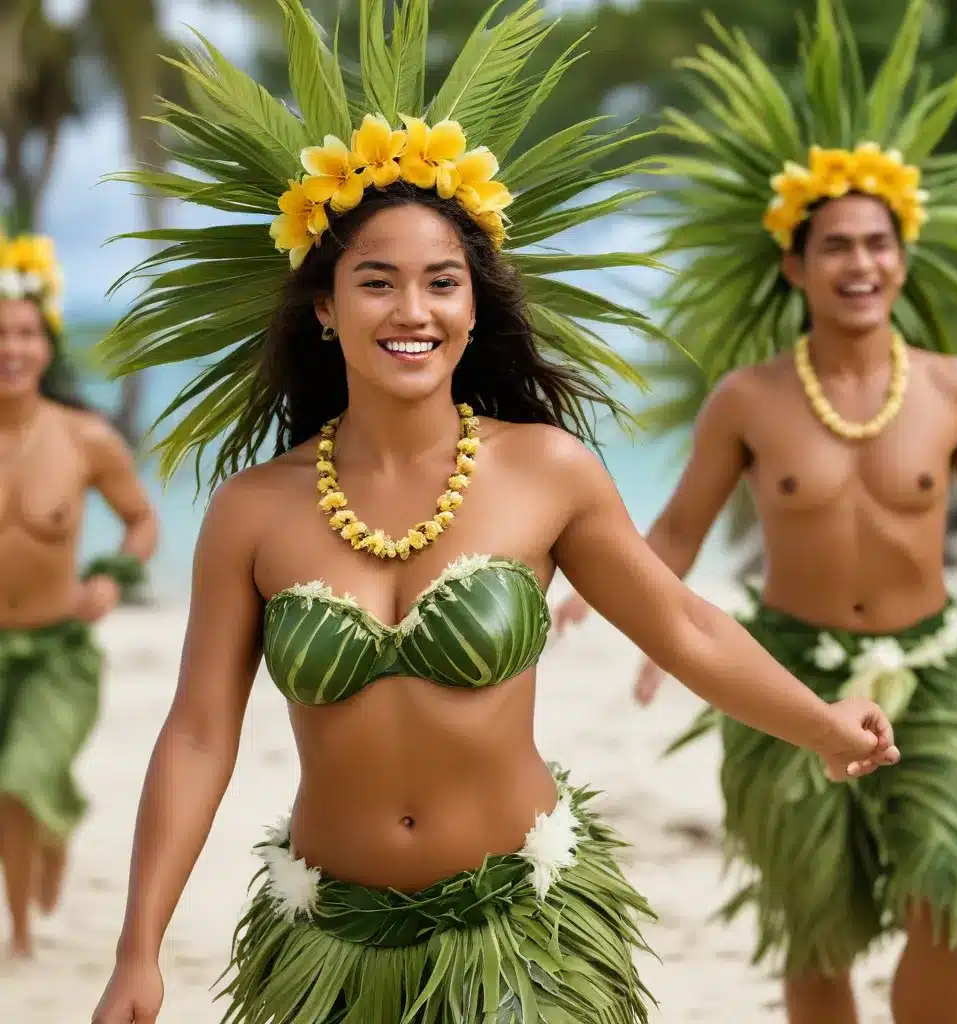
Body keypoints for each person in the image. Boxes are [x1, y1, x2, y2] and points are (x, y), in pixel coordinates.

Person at [89, 3, 898, 1022]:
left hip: (523, 936)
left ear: (476, 306)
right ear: (326, 306)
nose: (412, 310)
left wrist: (819, 725)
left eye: (441, 282)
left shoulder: (546, 473)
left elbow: (683, 623)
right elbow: (200, 734)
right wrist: (137, 948)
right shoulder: (253, 512)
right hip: (331, 942)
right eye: (376, 282)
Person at [554, 2, 957, 1023]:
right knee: (813, 926)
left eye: (876, 244)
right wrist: (621, 603)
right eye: (835, 247)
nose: (859, 264)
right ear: (793, 266)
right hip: (780, 668)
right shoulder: (749, 399)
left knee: (951, 895)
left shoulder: (955, 391)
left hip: (936, 673)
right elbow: (677, 527)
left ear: (901, 259)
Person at [0, 229, 158, 959]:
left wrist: (110, 579)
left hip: (58, 650)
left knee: (22, 778)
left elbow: (142, 521)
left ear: (47, 342)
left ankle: (25, 933)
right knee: (13, 791)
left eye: (26, 333)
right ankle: (30, 904)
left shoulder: (85, 437)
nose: (12, 348)